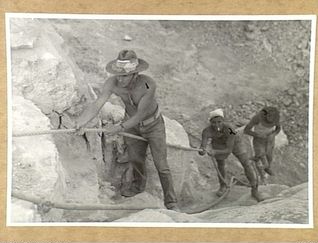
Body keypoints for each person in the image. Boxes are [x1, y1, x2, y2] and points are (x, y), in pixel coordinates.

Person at [75, 49, 179, 211]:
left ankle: (171, 201)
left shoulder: (147, 84)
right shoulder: (112, 83)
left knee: (162, 165)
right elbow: (98, 103)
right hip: (132, 126)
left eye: (124, 76)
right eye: (118, 74)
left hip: (153, 126)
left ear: (135, 75)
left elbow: (141, 114)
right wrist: (81, 122)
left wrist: (118, 128)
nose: (120, 79)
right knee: (136, 159)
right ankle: (138, 187)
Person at [198, 108, 264, 202]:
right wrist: (202, 150)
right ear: (210, 122)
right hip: (219, 142)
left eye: (219, 122)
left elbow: (228, 150)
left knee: (246, 163)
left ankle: (255, 190)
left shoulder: (230, 129)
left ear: (223, 121)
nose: (217, 125)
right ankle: (223, 186)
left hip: (235, 142)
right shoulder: (207, 131)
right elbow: (202, 148)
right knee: (220, 164)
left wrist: (215, 152)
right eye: (214, 122)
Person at [244, 106, 281, 179]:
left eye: (272, 118)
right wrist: (258, 135)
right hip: (258, 140)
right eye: (269, 116)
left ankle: (267, 169)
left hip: (270, 140)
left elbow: (278, 128)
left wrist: (273, 134)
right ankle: (261, 176)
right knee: (261, 155)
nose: (270, 119)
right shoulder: (257, 118)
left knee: (269, 156)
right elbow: (246, 130)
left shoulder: (276, 118)